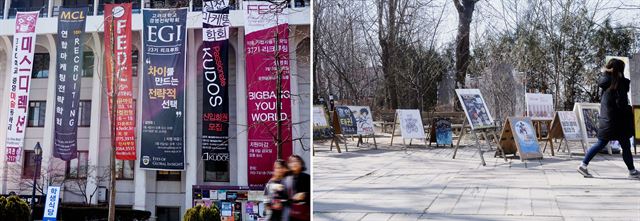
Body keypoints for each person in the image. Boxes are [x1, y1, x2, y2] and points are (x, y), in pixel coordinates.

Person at [578, 58, 639, 179]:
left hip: (607, 120)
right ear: (620, 70)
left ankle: (583, 165)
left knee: (601, 143)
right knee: (625, 145)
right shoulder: (619, 83)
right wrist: (628, 110)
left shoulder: (606, 82)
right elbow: (621, 104)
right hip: (619, 121)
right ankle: (632, 172)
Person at [286, 155, 310, 221]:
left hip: (304, 214)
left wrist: (305, 195)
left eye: (297, 161)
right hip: (291, 214)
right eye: (292, 162)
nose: (294, 163)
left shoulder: (307, 178)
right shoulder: (286, 179)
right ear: (289, 165)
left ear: (301, 163)